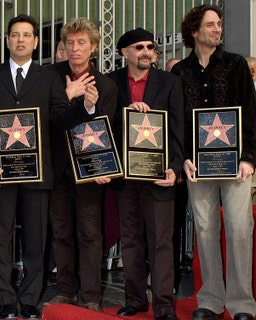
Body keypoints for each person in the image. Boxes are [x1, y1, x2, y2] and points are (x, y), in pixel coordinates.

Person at [0, 14, 66, 319]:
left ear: (36, 42)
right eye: (15, 34)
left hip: (37, 173)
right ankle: (5, 301)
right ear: (9, 40)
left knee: (36, 238)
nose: (21, 40)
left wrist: (82, 105)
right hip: (0, 172)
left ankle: (29, 299)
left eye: (27, 35)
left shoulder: (49, 77)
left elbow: (60, 119)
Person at [171, 5, 256, 320]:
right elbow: (176, 121)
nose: (217, 30)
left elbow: (250, 113)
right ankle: (209, 300)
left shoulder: (235, 65)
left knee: (239, 229)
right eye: (210, 25)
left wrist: (249, 158)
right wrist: (183, 160)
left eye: (219, 24)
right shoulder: (180, 71)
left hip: (236, 166)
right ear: (194, 31)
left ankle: (242, 305)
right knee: (205, 229)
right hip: (197, 167)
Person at [107, 27, 184, 320]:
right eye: (139, 47)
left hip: (158, 176)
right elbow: (104, 124)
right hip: (126, 177)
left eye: (150, 47)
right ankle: (135, 299)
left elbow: (179, 128)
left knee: (162, 241)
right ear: (124, 52)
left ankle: (164, 306)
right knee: (131, 239)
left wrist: (175, 168)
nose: (146, 52)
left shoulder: (169, 82)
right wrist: (128, 110)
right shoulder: (111, 82)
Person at [43, 17, 117, 313]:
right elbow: (53, 121)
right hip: (58, 169)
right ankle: (65, 291)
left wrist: (101, 167)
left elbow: (107, 129)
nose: (74, 48)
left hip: (90, 173)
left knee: (90, 233)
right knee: (60, 232)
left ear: (94, 47)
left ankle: (91, 296)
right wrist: (78, 102)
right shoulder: (50, 77)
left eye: (81, 43)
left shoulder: (107, 86)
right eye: (70, 42)